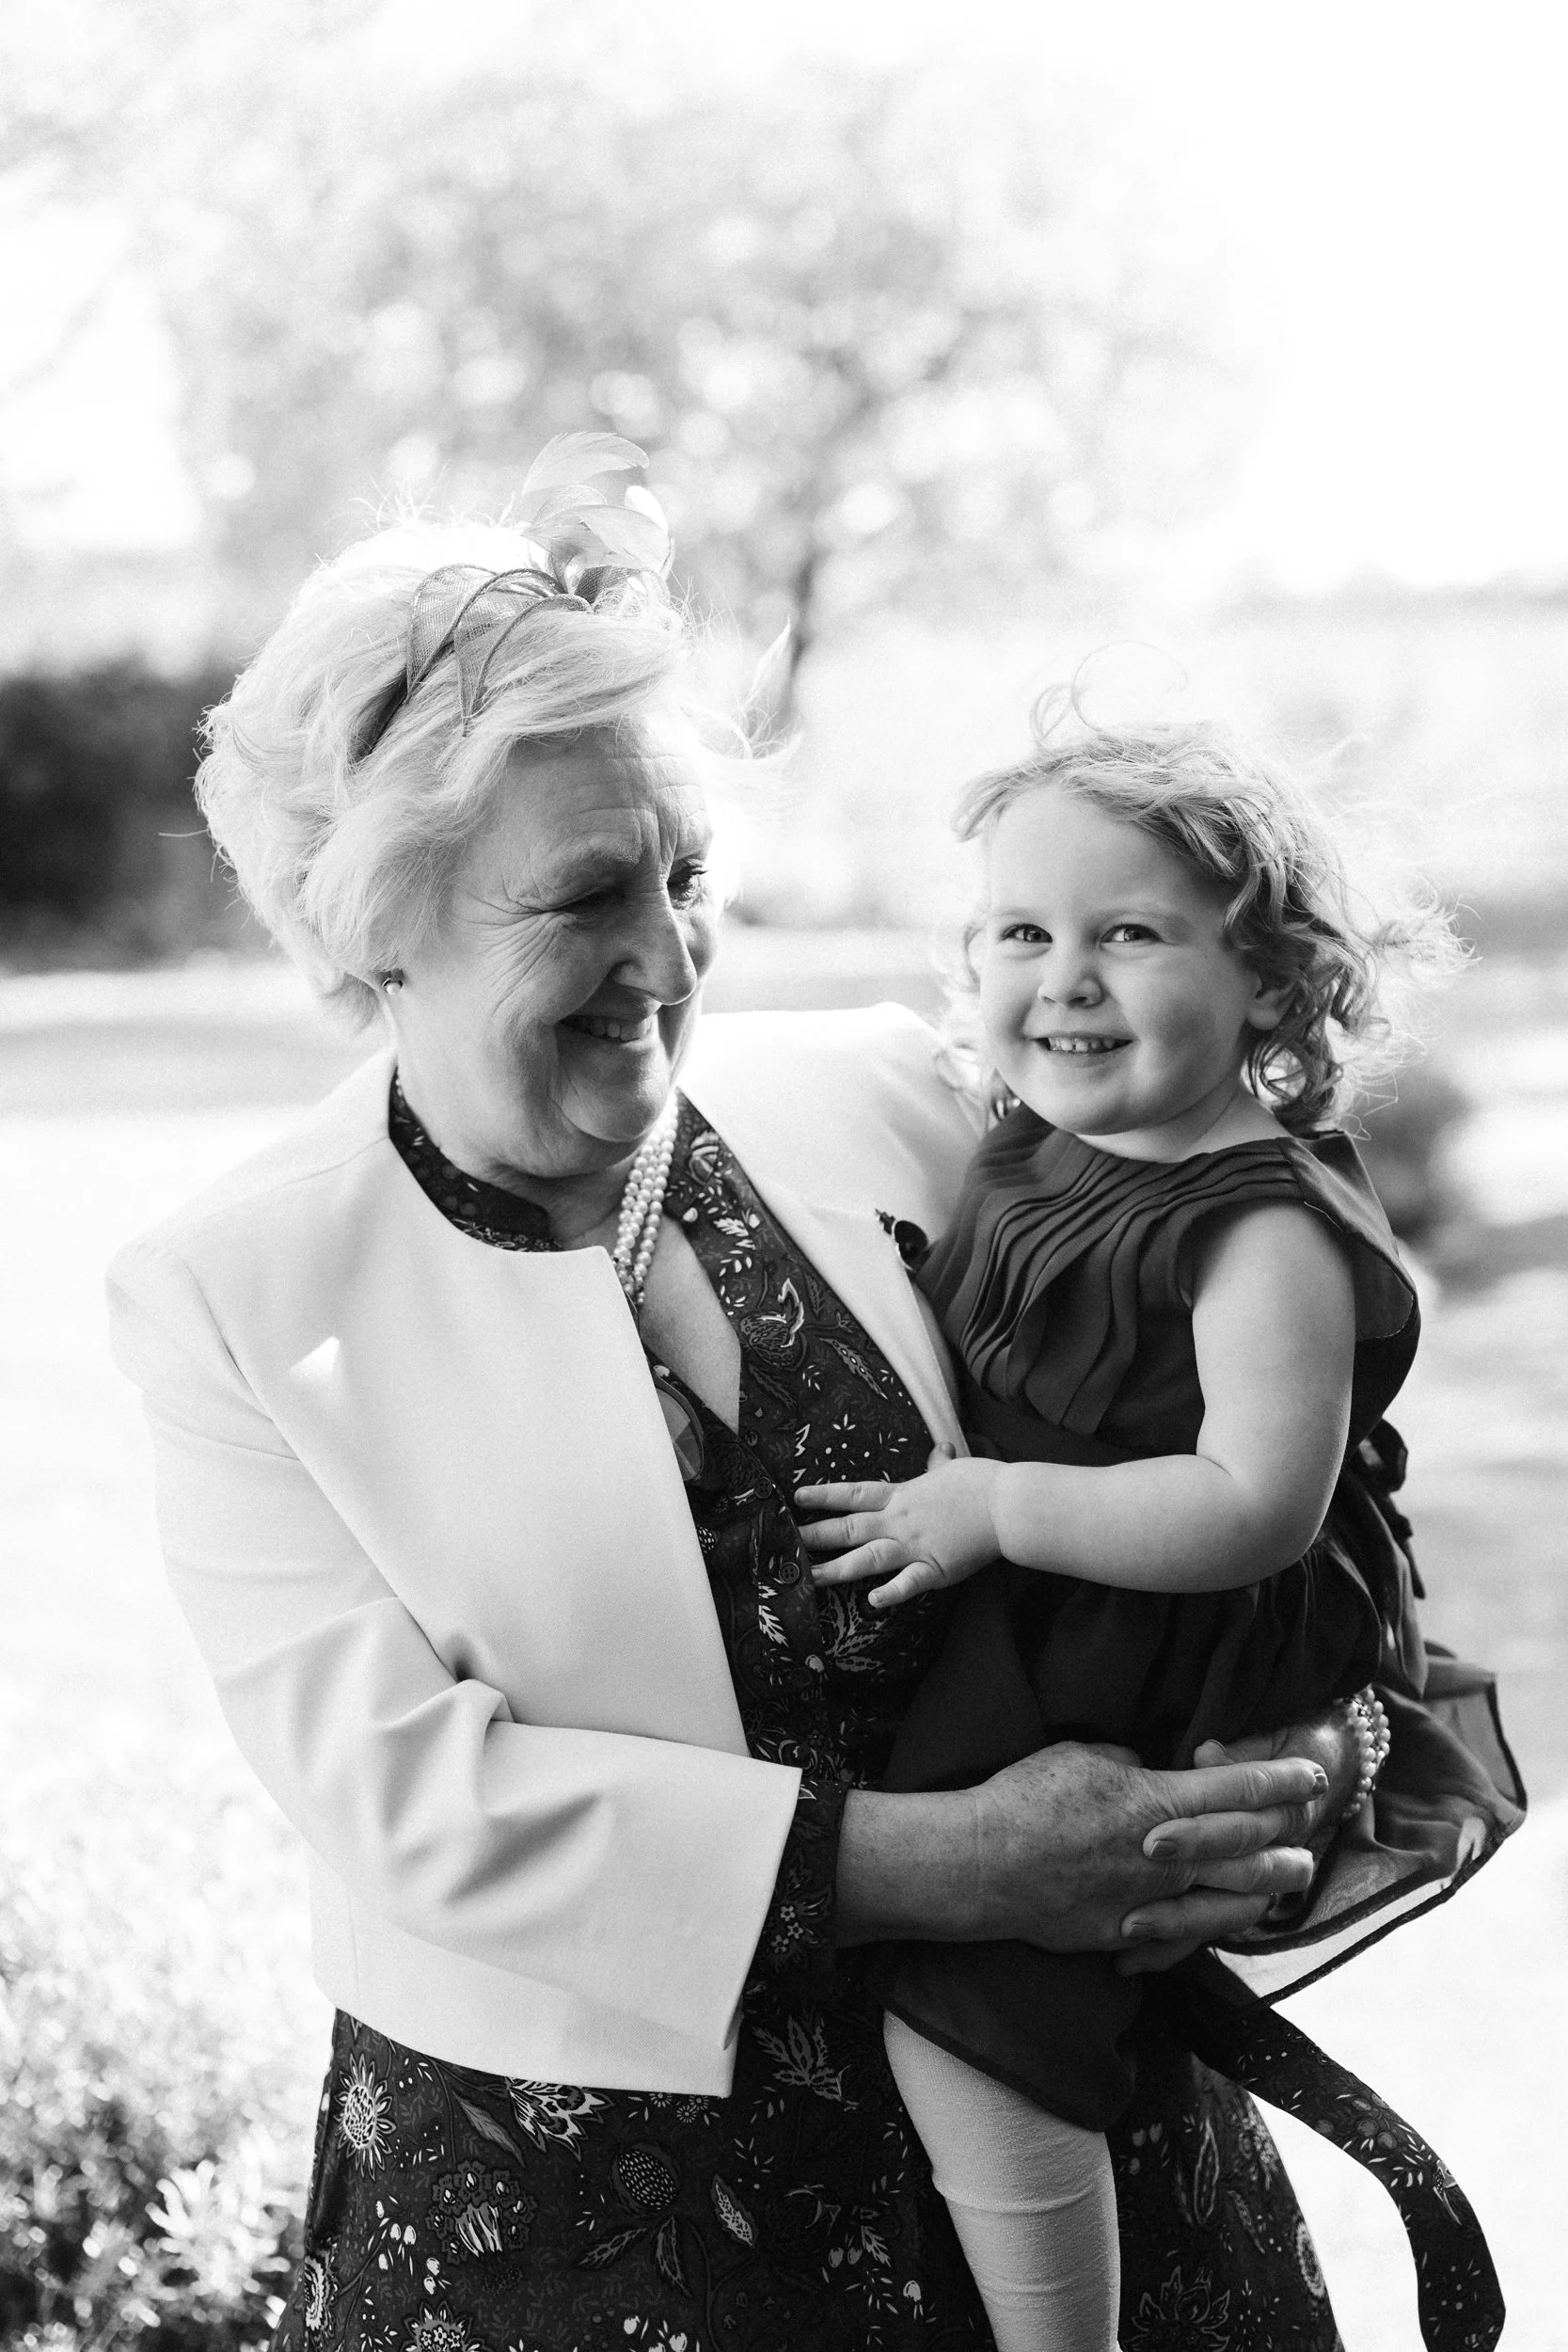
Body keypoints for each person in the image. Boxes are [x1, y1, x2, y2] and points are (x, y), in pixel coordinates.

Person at [105, 437, 1521, 2352]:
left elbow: (1261, 1438)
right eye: (585, 896)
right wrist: (968, 1855)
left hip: (1096, 2167)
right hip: (601, 2230)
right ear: (374, 916)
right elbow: (410, 1801)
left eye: (687, 876)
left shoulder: (893, 1091)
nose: (667, 954)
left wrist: (1305, 1749)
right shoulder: (235, 1290)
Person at [799, 699, 1479, 2349]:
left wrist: (993, 1508)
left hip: (1152, 1627)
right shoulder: (1042, 1140)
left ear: (1273, 982)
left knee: (981, 2016)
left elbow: (1253, 1508)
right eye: (1021, 932)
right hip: (1058, 1588)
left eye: (1129, 933)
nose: (1065, 976)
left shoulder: (1257, 1230)